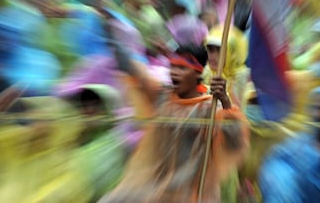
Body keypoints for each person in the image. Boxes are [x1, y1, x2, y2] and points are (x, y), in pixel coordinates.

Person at [97, 44, 250, 203]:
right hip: (154, 184)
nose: (174, 73)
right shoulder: (163, 96)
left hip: (193, 192)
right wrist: (115, 40)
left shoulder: (210, 108)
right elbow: (140, 76)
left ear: (198, 73)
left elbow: (235, 142)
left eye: (182, 68)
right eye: (172, 67)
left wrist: (225, 101)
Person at [202, 25, 249, 109]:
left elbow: (240, 114)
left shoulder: (243, 77)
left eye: (220, 50)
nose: (213, 56)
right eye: (210, 49)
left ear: (233, 53)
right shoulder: (207, 71)